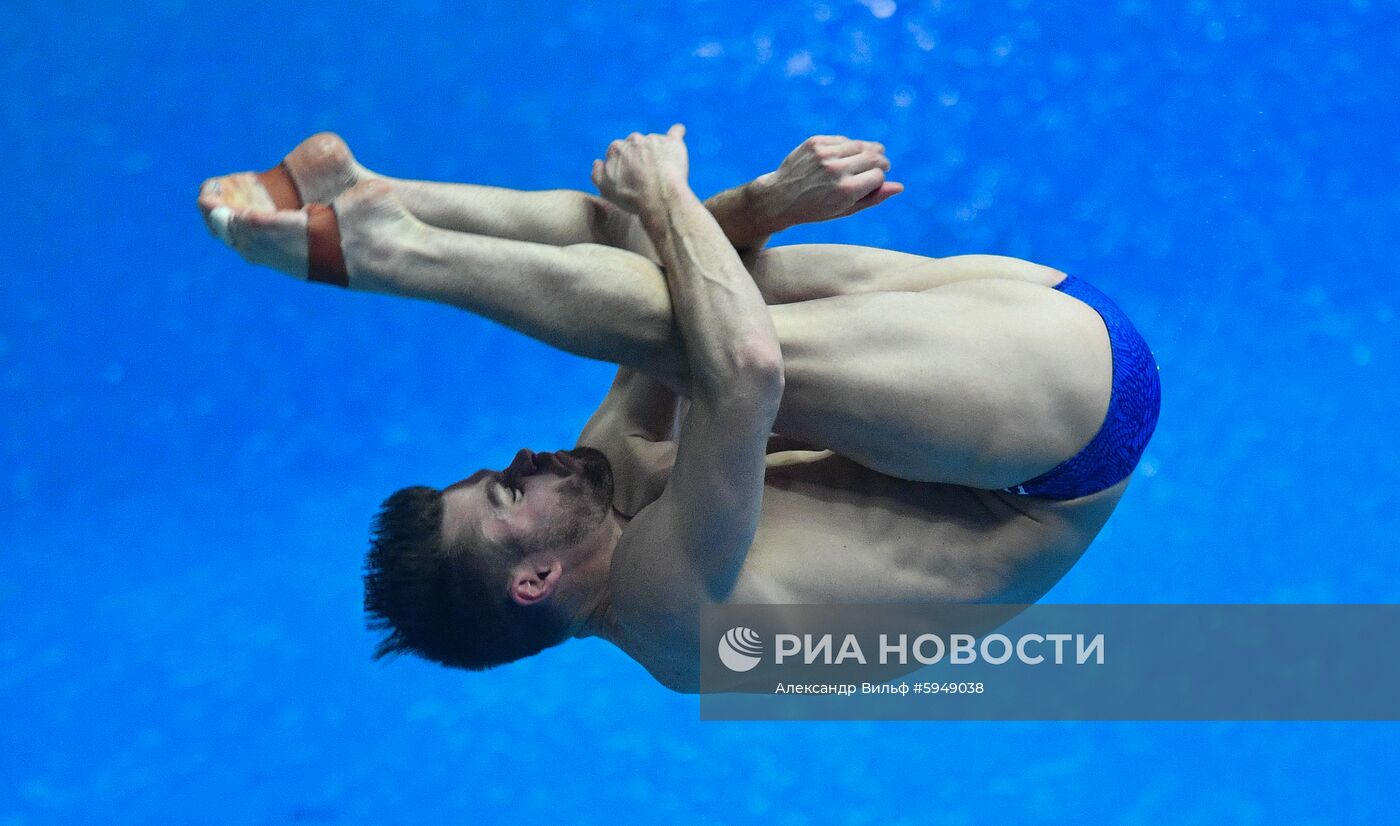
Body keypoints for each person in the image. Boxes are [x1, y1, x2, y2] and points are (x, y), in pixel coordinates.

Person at [197, 125, 1160, 692]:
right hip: (1060, 432)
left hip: (1008, 324)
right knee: (681, 321)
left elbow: (684, 268)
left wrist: (766, 198)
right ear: (535, 581)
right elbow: (742, 366)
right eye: (502, 492)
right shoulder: (667, 617)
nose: (527, 456)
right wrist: (667, 190)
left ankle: (379, 196)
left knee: (648, 271)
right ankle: (383, 253)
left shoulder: (602, 481)